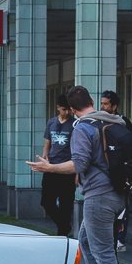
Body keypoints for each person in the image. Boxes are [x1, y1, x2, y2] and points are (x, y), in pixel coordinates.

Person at [28, 85, 127, 264]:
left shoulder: (83, 127)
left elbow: (79, 164)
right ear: (91, 101)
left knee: (102, 250)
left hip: (99, 195)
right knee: (86, 241)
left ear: (72, 110)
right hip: (117, 192)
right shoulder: (114, 121)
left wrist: (49, 168)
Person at [101, 91, 132, 251]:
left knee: (122, 206)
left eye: (106, 104)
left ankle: (120, 239)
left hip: (122, 171)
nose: (103, 107)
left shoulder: (123, 122)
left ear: (114, 106)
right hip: (106, 171)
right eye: (102, 103)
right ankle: (109, 237)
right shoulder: (99, 122)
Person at [40, 96, 77, 236]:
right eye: (63, 110)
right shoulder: (51, 122)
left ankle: (62, 233)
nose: (66, 112)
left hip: (67, 169)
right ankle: (65, 226)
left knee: (66, 204)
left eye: (68, 110)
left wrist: (77, 172)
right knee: (46, 202)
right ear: (58, 108)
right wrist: (45, 156)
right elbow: (47, 142)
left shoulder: (74, 124)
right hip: (51, 167)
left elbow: (77, 149)